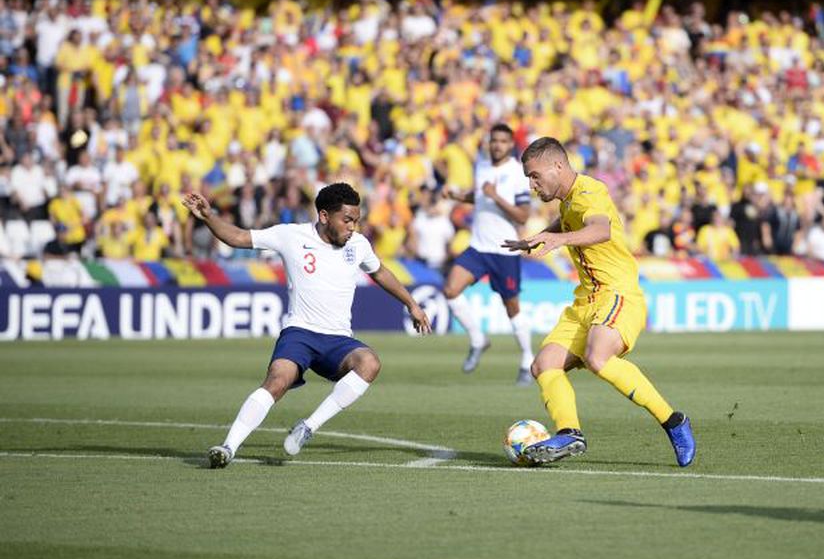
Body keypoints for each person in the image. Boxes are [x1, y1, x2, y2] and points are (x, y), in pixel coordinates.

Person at [181, 182, 432, 469]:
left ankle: (308, 427)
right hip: (300, 333)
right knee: (277, 380)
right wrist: (210, 216)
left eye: (356, 220)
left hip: (338, 340)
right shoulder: (291, 235)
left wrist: (411, 304)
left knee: (370, 363)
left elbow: (380, 272)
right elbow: (238, 237)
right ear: (324, 216)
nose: (353, 227)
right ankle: (228, 447)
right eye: (347, 220)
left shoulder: (358, 245)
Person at [501, 137, 695, 467]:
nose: (532, 185)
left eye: (535, 176)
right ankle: (570, 433)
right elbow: (568, 220)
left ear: (557, 166)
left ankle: (673, 421)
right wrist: (538, 238)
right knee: (543, 365)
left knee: (598, 357)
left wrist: (556, 240)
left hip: (617, 293)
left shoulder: (590, 193)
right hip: (586, 301)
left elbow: (600, 229)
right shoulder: (568, 202)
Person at [441, 124, 535, 383]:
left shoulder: (517, 173)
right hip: (478, 247)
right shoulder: (481, 165)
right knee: (450, 290)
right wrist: (458, 196)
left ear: (510, 145)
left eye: (503, 141)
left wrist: (496, 197)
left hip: (505, 249)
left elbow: (523, 215)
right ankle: (478, 339)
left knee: (512, 306)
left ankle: (527, 360)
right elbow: (480, 197)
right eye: (494, 141)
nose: (497, 145)